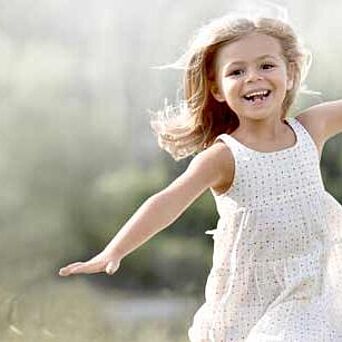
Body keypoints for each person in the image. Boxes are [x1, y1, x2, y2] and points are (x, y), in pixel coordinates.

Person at [59, 13, 342, 341]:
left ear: (290, 73)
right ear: (218, 89)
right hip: (250, 296)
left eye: (266, 65)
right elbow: (167, 202)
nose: (253, 77)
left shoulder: (311, 128)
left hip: (310, 286)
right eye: (237, 71)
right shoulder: (224, 157)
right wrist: (114, 250)